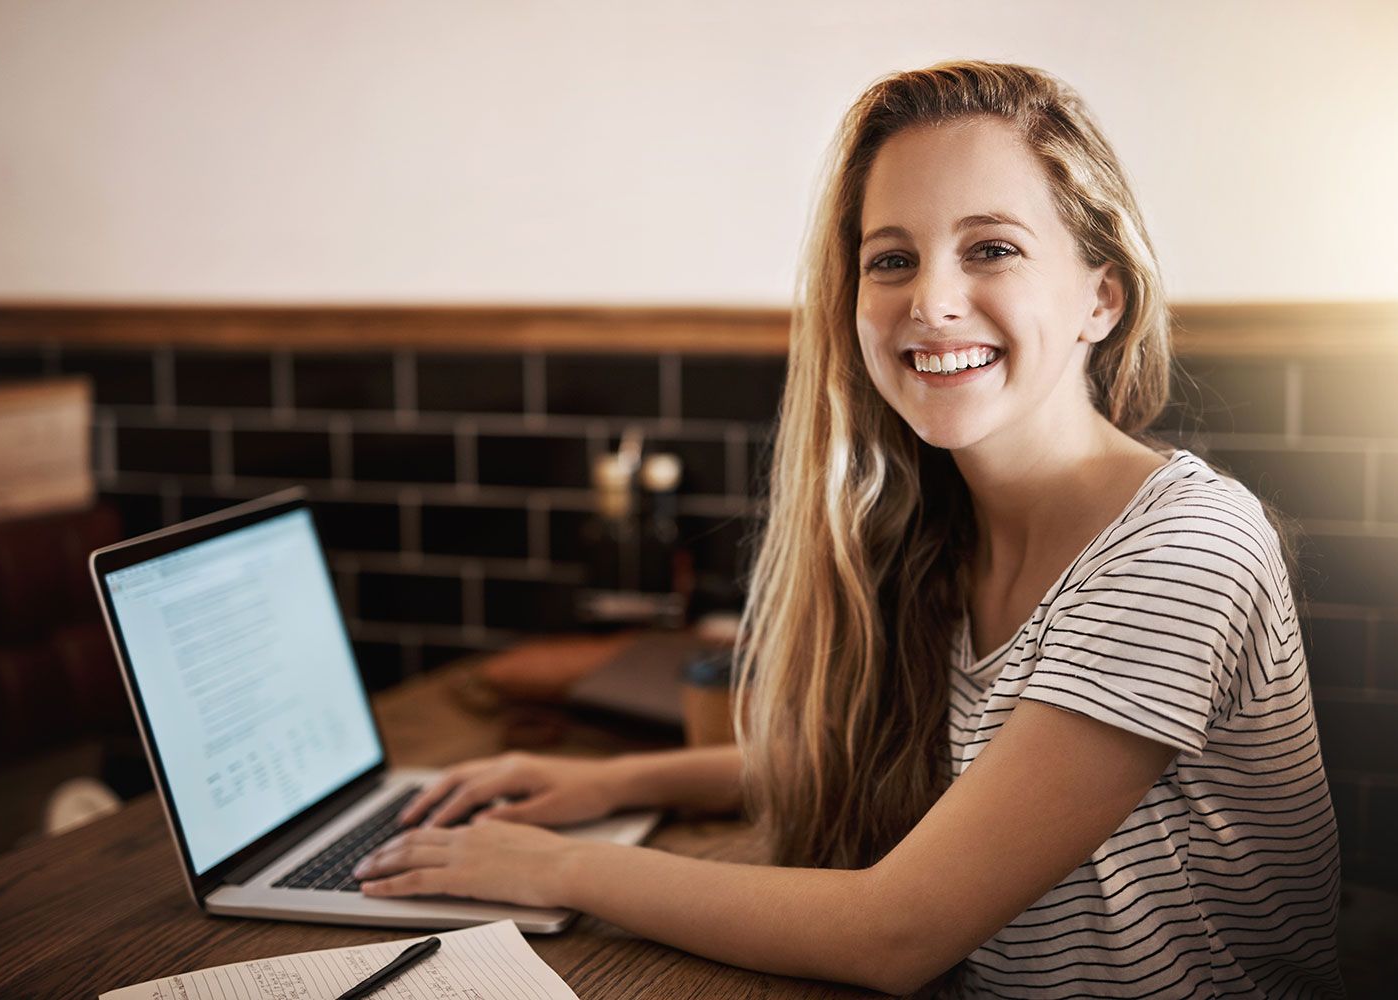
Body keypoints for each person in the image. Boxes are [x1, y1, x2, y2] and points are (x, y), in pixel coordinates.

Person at [352, 61, 1343, 997]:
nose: (930, 300)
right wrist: (606, 781)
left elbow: (895, 931)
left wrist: (558, 868)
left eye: (989, 247)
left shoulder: (1181, 544)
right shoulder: (942, 529)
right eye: (891, 259)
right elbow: (944, 769)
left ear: (1100, 294)